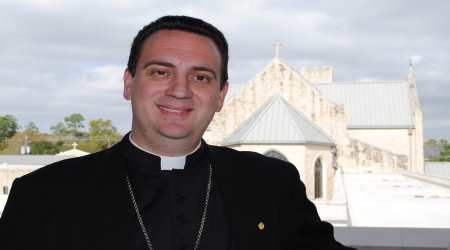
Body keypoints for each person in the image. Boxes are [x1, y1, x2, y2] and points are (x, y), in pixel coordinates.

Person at [0, 15, 355, 250]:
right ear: (129, 83)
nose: (180, 90)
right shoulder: (44, 195)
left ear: (220, 96)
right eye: (160, 72)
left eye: (200, 77)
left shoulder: (271, 184)